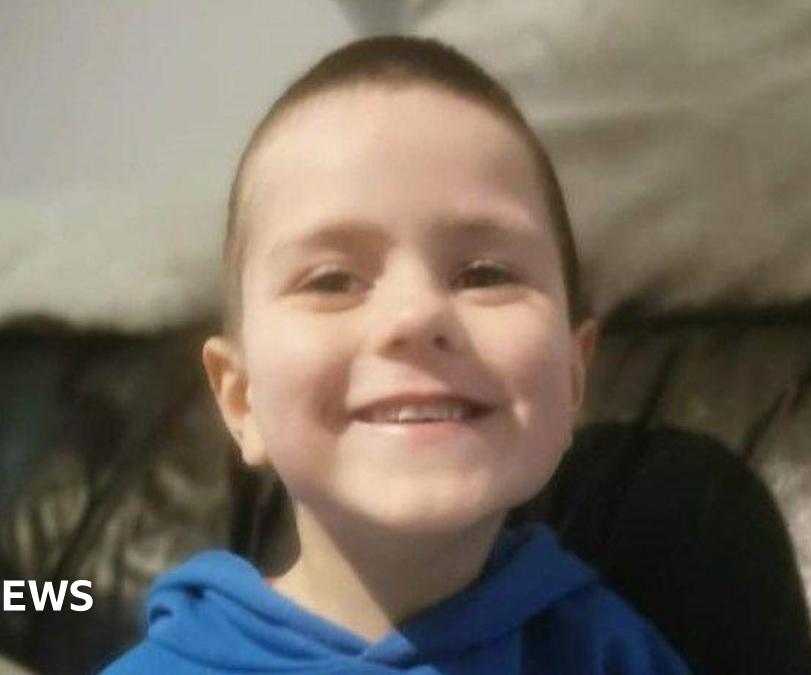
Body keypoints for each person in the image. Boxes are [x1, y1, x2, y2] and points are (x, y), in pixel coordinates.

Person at [103, 35, 690, 674]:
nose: (416, 316)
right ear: (242, 400)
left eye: (484, 274)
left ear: (573, 377)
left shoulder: (613, 657)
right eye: (331, 280)